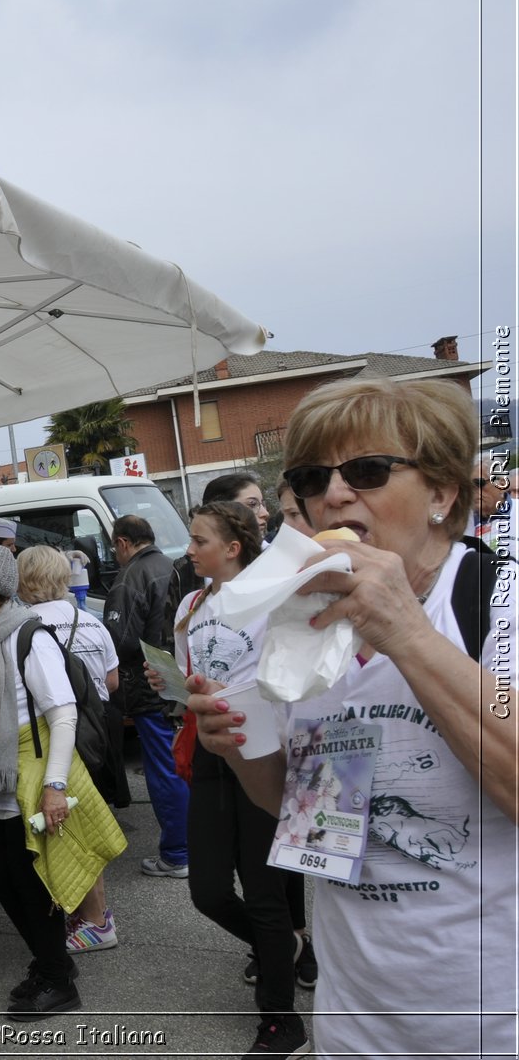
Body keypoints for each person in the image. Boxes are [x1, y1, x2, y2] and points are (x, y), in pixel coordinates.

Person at [187, 378, 517, 1060]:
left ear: (441, 493)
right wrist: (240, 746)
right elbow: (301, 809)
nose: (333, 495)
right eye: (313, 477)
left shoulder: (495, 602)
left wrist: (409, 634)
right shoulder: (303, 622)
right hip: (355, 1024)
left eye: (366, 470)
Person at [0, 546, 125, 1021]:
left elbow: (63, 714)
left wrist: (53, 786)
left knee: (32, 879)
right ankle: (51, 965)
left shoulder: (28, 636)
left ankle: (55, 975)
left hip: (33, 774)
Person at [169, 502, 311, 1058]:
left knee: (264, 895)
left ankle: (282, 1023)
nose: (189, 549)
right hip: (212, 752)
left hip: (267, 751)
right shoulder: (191, 603)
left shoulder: (271, 593)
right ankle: (284, 950)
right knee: (206, 891)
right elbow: (191, 676)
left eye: (199, 540)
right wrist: (173, 681)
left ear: (233, 547)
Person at [14, 546, 123, 952]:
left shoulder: (26, 626)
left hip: (57, 739)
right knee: (85, 824)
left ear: (23, 580)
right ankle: (93, 915)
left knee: (66, 831)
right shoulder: (89, 620)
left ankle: (95, 920)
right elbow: (112, 681)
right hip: (97, 734)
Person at [105, 514, 191, 877]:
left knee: (163, 769)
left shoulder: (130, 577)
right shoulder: (169, 566)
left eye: (114, 547)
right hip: (175, 681)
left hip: (146, 683)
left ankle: (177, 853)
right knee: (180, 764)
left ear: (123, 543)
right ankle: (189, 845)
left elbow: (119, 641)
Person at [168, 472, 267, 614]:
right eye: (252, 504)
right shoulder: (185, 573)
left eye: (262, 504)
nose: (264, 513)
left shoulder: (275, 563)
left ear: (233, 549)